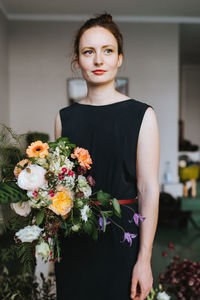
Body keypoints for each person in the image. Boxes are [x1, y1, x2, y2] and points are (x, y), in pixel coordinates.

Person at [54, 13, 160, 300]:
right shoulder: (64, 118)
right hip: (74, 241)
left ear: (119, 58)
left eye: (107, 51)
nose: (98, 61)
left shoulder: (143, 115)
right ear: (77, 60)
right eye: (89, 52)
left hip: (121, 241)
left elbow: (148, 189)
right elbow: (61, 187)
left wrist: (144, 260)